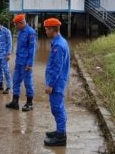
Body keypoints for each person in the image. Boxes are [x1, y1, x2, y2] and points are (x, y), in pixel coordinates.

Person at [42, 18, 70, 146]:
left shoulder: (58, 45)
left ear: (53, 30)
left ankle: (60, 137)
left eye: (47, 29)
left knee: (57, 108)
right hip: (58, 81)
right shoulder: (59, 41)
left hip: (56, 83)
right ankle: (60, 131)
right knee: (58, 108)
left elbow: (57, 68)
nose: (45, 31)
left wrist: (50, 85)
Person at [6, 14, 37, 112]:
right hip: (19, 62)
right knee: (15, 81)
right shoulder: (20, 32)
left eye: (16, 24)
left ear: (21, 23)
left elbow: (32, 49)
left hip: (26, 63)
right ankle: (15, 102)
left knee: (28, 83)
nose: (15, 26)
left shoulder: (30, 32)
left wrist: (30, 64)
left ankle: (29, 103)